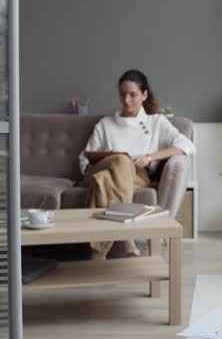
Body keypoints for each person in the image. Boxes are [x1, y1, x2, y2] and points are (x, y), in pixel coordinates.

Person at [79, 69, 195, 259]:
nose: (126, 100)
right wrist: (112, 158)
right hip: (101, 166)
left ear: (144, 95)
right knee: (120, 160)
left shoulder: (156, 122)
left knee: (103, 180)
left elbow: (186, 145)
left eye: (132, 95)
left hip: (137, 176)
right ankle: (127, 241)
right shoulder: (105, 124)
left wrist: (149, 157)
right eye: (122, 95)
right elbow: (83, 160)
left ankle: (98, 252)